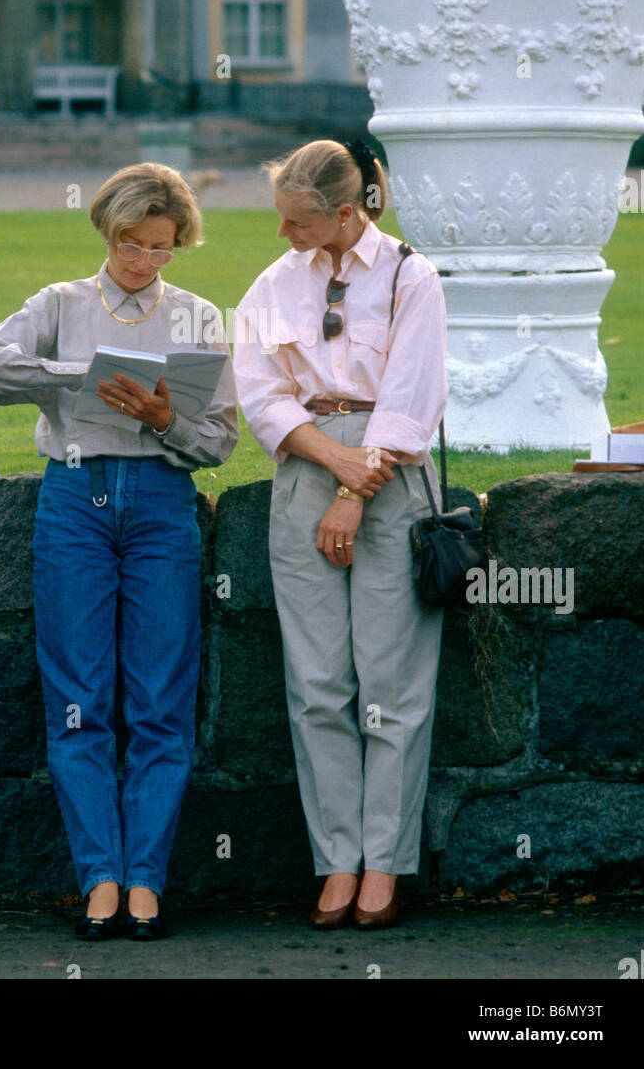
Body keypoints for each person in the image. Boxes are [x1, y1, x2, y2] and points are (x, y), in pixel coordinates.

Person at [0, 163, 238, 941]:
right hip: (74, 504)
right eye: (132, 243)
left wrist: (162, 419)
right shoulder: (60, 305)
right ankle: (101, 879)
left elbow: (218, 438)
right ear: (107, 231)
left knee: (160, 698)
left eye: (163, 247)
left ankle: (146, 878)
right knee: (80, 697)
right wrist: (73, 376)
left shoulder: (192, 317)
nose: (146, 261)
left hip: (159, 503)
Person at [233, 138, 447, 931]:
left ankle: (385, 863)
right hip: (306, 472)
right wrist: (333, 468)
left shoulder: (409, 277)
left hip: (391, 481)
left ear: (346, 213)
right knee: (318, 683)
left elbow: (412, 392)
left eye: (296, 222)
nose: (284, 235)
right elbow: (259, 393)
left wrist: (358, 488)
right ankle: (337, 861)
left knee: (390, 684)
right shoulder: (273, 283)